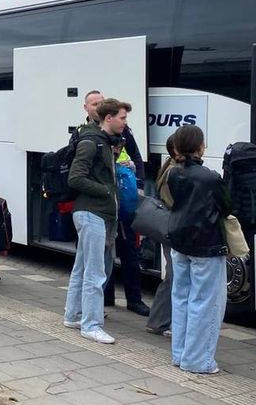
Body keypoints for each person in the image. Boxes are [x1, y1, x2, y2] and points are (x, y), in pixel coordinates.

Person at [63, 98, 129, 345]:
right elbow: (75, 178)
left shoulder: (105, 142)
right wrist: (106, 191)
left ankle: (73, 315)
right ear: (109, 118)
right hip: (92, 213)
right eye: (122, 118)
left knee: (82, 268)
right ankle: (91, 325)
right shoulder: (92, 142)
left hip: (94, 214)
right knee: (95, 271)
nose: (125, 123)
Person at [166, 125, 230, 374]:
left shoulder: (174, 173)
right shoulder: (210, 177)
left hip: (179, 239)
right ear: (200, 146)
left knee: (181, 297)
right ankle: (198, 360)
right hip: (206, 242)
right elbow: (226, 206)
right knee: (205, 302)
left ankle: (180, 354)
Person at [79, 91, 149, 316]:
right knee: (103, 253)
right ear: (87, 108)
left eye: (101, 103)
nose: (97, 107)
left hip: (124, 198)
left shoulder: (122, 130)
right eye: (94, 104)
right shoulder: (85, 133)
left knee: (130, 249)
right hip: (104, 201)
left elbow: (137, 157)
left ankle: (134, 299)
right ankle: (105, 298)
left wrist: (138, 183)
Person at [145, 135, 178, 337]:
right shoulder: (174, 171)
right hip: (173, 228)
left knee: (173, 275)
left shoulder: (169, 167)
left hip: (168, 227)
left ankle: (159, 321)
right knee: (175, 276)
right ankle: (159, 321)